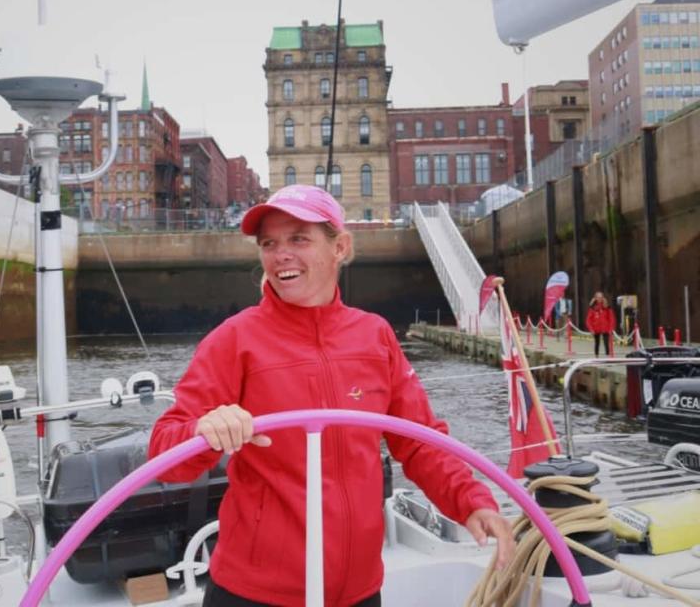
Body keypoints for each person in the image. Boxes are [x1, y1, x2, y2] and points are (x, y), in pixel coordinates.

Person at [148, 185, 514, 607]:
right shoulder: (233, 340)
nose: (280, 254)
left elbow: (419, 441)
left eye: (298, 239)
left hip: (357, 591)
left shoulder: (375, 335)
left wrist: (471, 501)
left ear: (340, 246)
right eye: (269, 243)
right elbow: (165, 453)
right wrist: (204, 431)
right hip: (255, 593)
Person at [586, 291, 616, 357]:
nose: (599, 299)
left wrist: (611, 328)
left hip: (605, 328)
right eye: (598, 297)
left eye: (601, 297)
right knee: (597, 343)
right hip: (596, 328)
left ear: (603, 298)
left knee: (606, 343)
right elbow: (588, 320)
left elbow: (611, 318)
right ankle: (596, 357)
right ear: (595, 298)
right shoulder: (592, 307)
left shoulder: (607, 307)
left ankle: (607, 357)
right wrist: (591, 329)